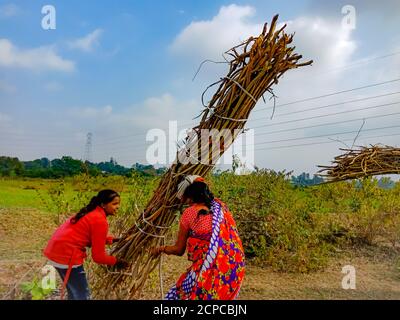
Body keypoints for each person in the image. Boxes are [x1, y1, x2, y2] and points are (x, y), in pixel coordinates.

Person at [151, 175, 245, 300]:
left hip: (205, 270)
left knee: (176, 296)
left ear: (189, 196)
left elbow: (178, 250)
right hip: (231, 270)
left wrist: (160, 249)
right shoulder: (221, 210)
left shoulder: (189, 213)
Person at [43, 189, 128, 300]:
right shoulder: (99, 220)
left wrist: (113, 240)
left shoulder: (92, 212)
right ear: (103, 204)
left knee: (74, 293)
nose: (118, 207)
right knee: (83, 296)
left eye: (118, 204)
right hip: (67, 256)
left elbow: (87, 236)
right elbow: (98, 257)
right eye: (114, 204)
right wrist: (117, 262)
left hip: (55, 252)